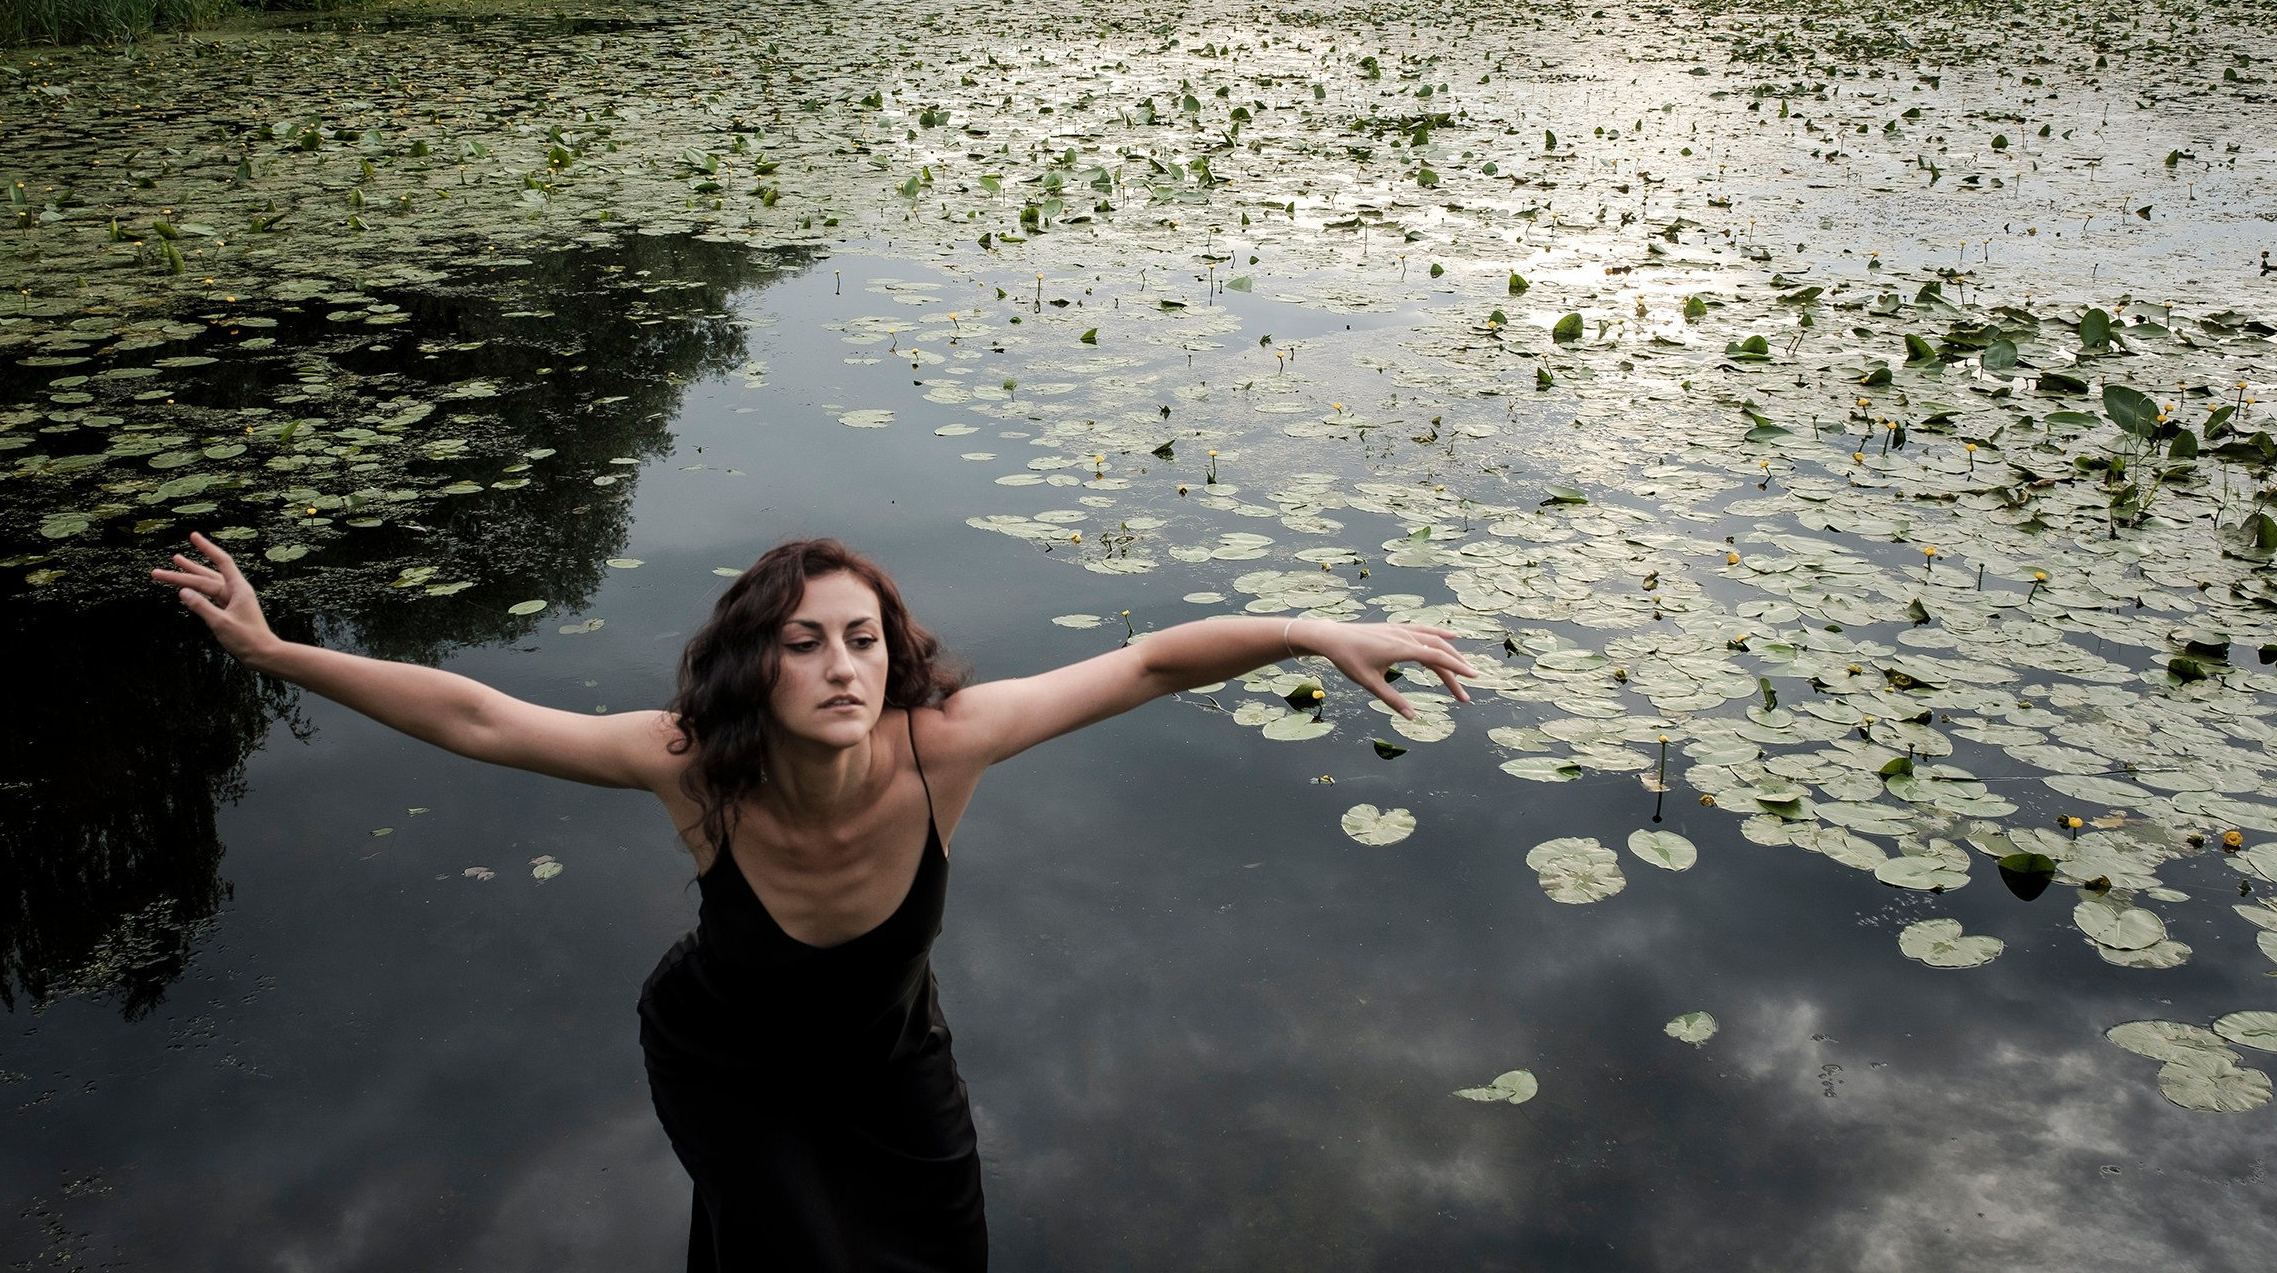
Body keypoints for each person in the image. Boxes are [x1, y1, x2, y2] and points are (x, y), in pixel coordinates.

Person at [152, 532, 1476, 1270]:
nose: (843, 665)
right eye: (804, 642)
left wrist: (1313, 632)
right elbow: (481, 716)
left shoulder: (946, 742)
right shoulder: (691, 766)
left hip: (893, 1058)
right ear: (755, 667)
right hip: (727, 1064)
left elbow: (1145, 662)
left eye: (863, 638)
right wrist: (273, 652)